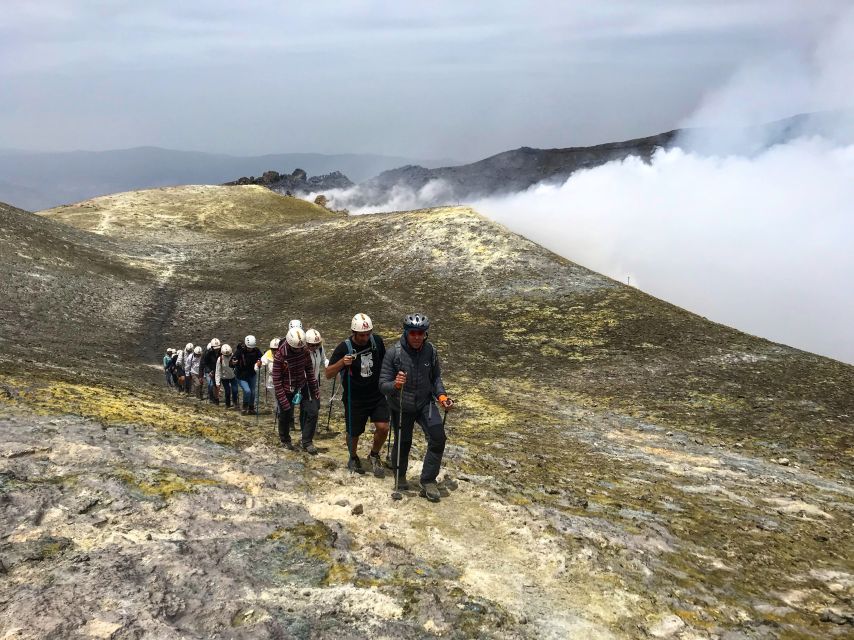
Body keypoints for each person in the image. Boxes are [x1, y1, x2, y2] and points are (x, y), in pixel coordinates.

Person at [379, 313, 454, 502]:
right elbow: (382, 385)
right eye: (413, 333)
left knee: (438, 438)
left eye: (421, 333)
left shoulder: (431, 351)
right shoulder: (393, 353)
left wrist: (442, 396)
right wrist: (395, 384)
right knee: (403, 442)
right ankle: (400, 475)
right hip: (401, 405)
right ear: (406, 332)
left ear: (425, 334)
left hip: (425, 403)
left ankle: (428, 481)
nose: (417, 337)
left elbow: (435, 378)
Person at [325, 313, 389, 476]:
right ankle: (353, 457)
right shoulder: (343, 347)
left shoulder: (377, 341)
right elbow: (328, 374)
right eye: (362, 335)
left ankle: (374, 454)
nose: (366, 338)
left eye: (368, 334)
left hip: (377, 394)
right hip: (355, 398)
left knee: (383, 427)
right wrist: (342, 363)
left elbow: (385, 362)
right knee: (354, 432)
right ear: (354, 332)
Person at [272, 327, 321, 453]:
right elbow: (276, 380)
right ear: (289, 344)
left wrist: (314, 389)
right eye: (295, 348)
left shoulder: (304, 351)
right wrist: (283, 400)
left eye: (300, 348)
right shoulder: (280, 356)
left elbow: (309, 371)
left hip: (302, 385)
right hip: (285, 388)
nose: (298, 350)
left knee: (313, 412)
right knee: (286, 414)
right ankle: (285, 440)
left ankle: (307, 442)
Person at [300, 328, 326, 439]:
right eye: (311, 345)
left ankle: (306, 429)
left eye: (317, 344)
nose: (314, 347)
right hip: (304, 383)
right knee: (311, 410)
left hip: (314, 382)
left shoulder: (320, 349)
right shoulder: (302, 352)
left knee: (316, 406)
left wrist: (330, 366)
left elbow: (324, 360)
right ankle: (306, 436)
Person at [230, 335, 263, 414]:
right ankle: (245, 407)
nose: (250, 349)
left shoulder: (256, 350)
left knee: (253, 392)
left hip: (252, 374)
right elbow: (231, 362)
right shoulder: (240, 351)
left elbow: (261, 358)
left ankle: (251, 408)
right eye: (249, 348)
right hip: (241, 375)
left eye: (252, 348)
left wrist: (260, 362)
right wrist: (233, 362)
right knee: (247, 391)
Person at [215, 344, 239, 409]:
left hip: (233, 376)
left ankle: (235, 403)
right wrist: (217, 382)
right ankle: (227, 404)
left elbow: (238, 366)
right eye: (226, 355)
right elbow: (218, 371)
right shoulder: (220, 359)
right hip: (224, 378)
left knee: (235, 390)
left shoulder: (234, 356)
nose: (228, 356)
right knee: (227, 391)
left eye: (229, 355)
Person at [260, 338, 280, 413]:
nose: (275, 351)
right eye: (273, 349)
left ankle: (279, 412)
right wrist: (259, 365)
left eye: (277, 349)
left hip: (282, 380)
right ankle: (279, 412)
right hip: (271, 381)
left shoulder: (284, 353)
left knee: (279, 397)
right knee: (277, 397)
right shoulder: (268, 354)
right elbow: (261, 364)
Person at [202, 338, 222, 404]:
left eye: (218, 348)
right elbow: (205, 363)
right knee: (210, 384)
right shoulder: (208, 353)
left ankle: (216, 399)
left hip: (217, 371)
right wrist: (209, 371)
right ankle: (211, 397)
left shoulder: (221, 352)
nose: (217, 349)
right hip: (209, 371)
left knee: (217, 385)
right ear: (212, 347)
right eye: (215, 348)